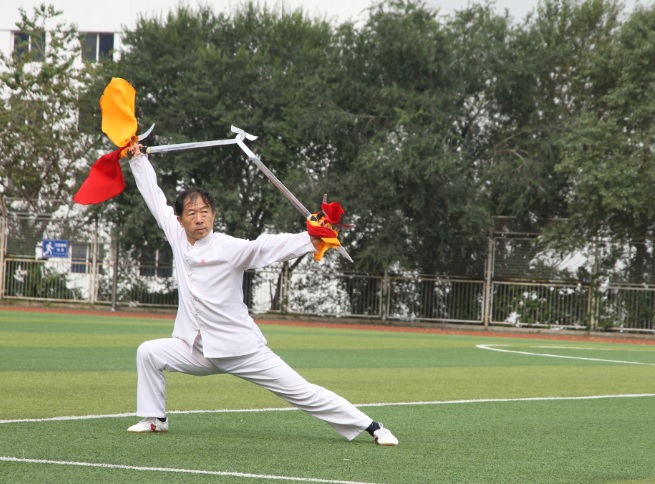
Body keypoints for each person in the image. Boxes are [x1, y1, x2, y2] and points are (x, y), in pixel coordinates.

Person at [124, 144, 398, 446]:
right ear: (180, 220)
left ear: (214, 215)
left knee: (301, 391)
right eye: (191, 213)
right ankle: (155, 419)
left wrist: (311, 237)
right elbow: (154, 198)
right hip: (196, 349)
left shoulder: (229, 247)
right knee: (148, 352)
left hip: (240, 349)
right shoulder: (176, 235)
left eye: (205, 212)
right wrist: (138, 159)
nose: (199, 219)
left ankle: (373, 426)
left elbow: (265, 247)